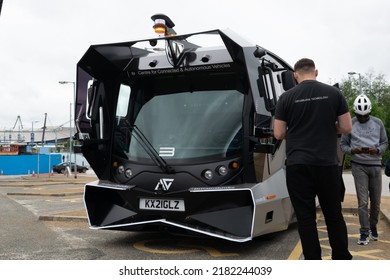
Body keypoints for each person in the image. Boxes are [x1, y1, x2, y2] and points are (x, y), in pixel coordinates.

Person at [273, 58, 353, 260]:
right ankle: (341, 258)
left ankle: (313, 261)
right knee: (334, 215)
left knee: (305, 218)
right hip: (326, 164)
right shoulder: (334, 94)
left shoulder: (286, 98)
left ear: (295, 75)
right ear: (315, 72)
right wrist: (327, 126)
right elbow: (346, 127)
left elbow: (278, 133)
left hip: (297, 165)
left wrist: (297, 129)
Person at [340, 94, 388, 245]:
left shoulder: (378, 123)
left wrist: (378, 150)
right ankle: (364, 232)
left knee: (376, 201)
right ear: (355, 113)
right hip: (358, 165)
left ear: (369, 112)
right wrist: (354, 150)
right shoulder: (350, 123)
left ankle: (373, 226)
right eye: (359, 116)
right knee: (362, 202)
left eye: (365, 116)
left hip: (375, 166)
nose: (362, 119)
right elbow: (343, 145)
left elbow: (384, 142)